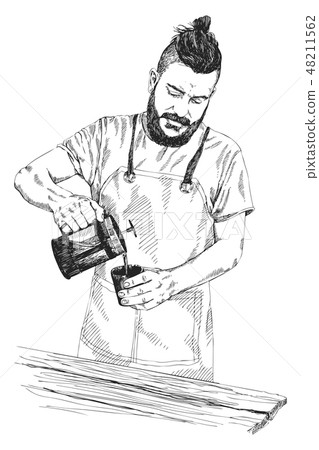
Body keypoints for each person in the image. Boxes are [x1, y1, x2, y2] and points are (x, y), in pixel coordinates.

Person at [15, 15, 254, 382]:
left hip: (182, 359)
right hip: (99, 349)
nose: (182, 111)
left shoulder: (225, 155)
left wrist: (172, 282)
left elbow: (232, 246)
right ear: (152, 80)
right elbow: (28, 176)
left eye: (197, 100)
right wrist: (60, 200)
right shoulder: (107, 134)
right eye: (174, 93)